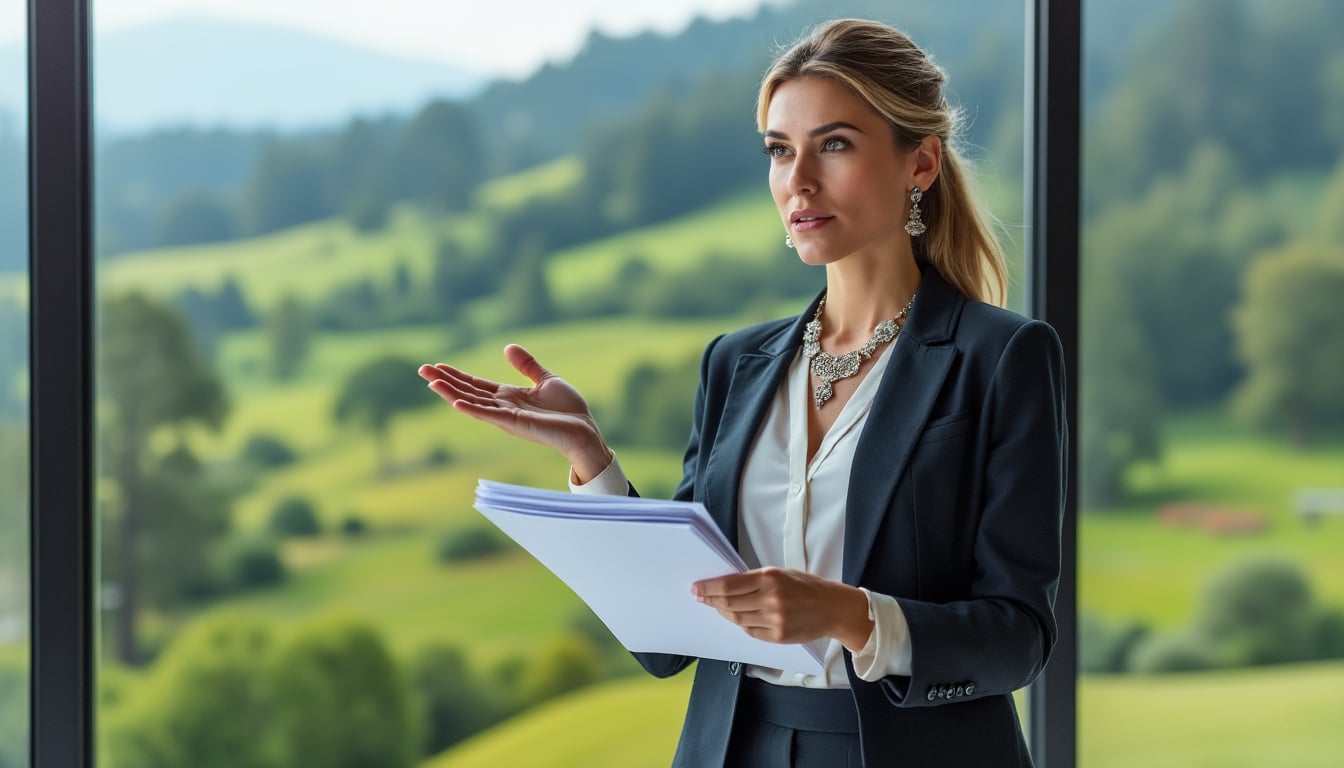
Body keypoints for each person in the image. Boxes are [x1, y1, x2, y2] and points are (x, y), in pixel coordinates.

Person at [419, 18, 1066, 768]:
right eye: (779, 150)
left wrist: (852, 616)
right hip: (736, 747)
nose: (799, 180)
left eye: (835, 144)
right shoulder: (735, 364)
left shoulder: (1001, 357)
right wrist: (592, 460)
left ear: (919, 164)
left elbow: (1018, 639)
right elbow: (671, 636)